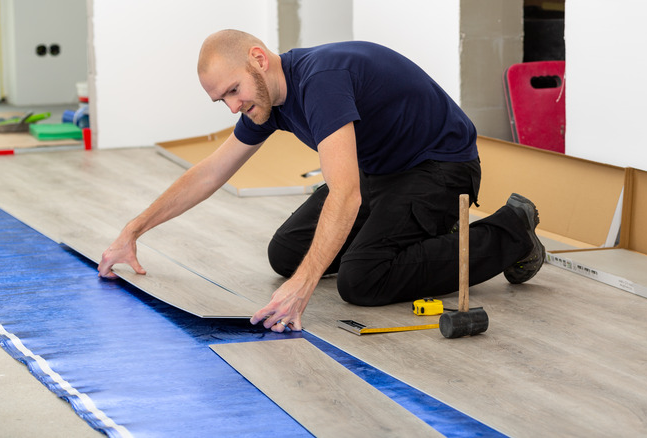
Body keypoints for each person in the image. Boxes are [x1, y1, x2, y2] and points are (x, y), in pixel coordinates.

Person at [98, 29, 545, 333]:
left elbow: (346, 193)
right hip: (383, 171)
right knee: (286, 254)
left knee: (361, 281)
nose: (233, 106)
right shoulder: (267, 102)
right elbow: (210, 171)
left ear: (259, 59)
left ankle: (512, 232)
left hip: (441, 167)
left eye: (233, 90)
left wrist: (305, 286)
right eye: (222, 100)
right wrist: (133, 230)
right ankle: (414, 236)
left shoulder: (321, 81)